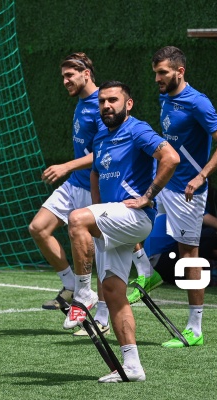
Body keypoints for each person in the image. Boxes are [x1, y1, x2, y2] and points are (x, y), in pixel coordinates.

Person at [65, 81, 179, 382]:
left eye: (113, 100)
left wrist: (148, 196)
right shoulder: (101, 134)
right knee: (115, 292)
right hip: (113, 217)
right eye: (102, 101)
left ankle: (84, 293)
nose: (106, 106)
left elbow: (171, 158)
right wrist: (97, 210)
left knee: (75, 219)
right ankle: (132, 366)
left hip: (136, 215)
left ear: (128, 104)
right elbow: (95, 173)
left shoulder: (138, 129)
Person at [128, 46, 217, 348]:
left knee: (189, 255)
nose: (157, 79)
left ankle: (195, 328)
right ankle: (147, 275)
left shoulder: (197, 102)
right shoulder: (165, 96)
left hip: (187, 193)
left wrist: (201, 176)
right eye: (155, 74)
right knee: (135, 221)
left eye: (162, 73)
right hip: (164, 184)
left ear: (180, 71)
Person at [28, 53, 113, 335]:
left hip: (96, 188)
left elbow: (104, 152)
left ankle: (102, 317)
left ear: (86, 73)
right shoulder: (80, 102)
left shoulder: (103, 104)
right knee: (39, 228)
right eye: (63, 76)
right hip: (74, 185)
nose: (65, 81)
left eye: (70, 76)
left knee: (100, 256)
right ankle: (71, 285)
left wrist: (65, 165)